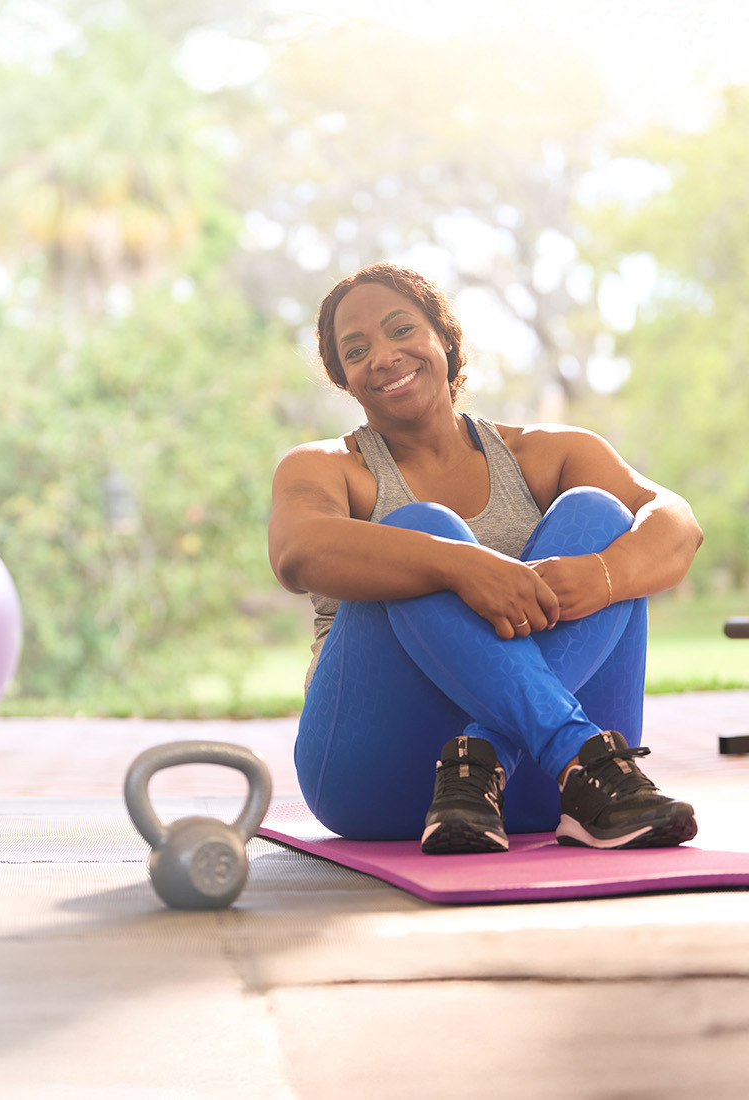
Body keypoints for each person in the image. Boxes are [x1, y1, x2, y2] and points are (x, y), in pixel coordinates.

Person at [267, 263, 703, 854]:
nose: (385, 356)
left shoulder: (549, 453)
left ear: (444, 337)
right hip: (378, 776)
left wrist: (603, 576)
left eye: (401, 330)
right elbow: (297, 552)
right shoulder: (326, 467)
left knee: (599, 514)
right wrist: (460, 566)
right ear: (345, 377)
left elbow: (676, 522)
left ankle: (510, 759)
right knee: (421, 528)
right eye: (357, 349)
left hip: (558, 790)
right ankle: (574, 747)